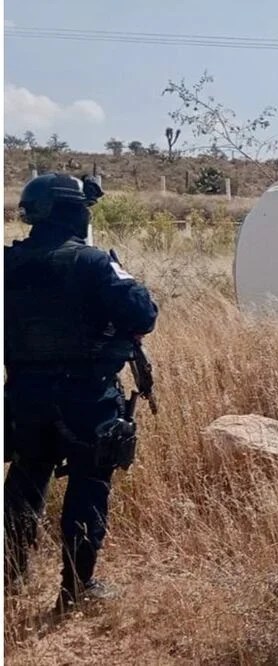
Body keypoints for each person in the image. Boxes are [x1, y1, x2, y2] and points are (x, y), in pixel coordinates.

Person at [4, 173, 159, 612]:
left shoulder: (7, 264)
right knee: (88, 486)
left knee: (25, 481)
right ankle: (75, 589)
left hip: (25, 395)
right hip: (86, 397)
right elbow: (143, 315)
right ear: (72, 212)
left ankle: (11, 577)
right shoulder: (92, 263)